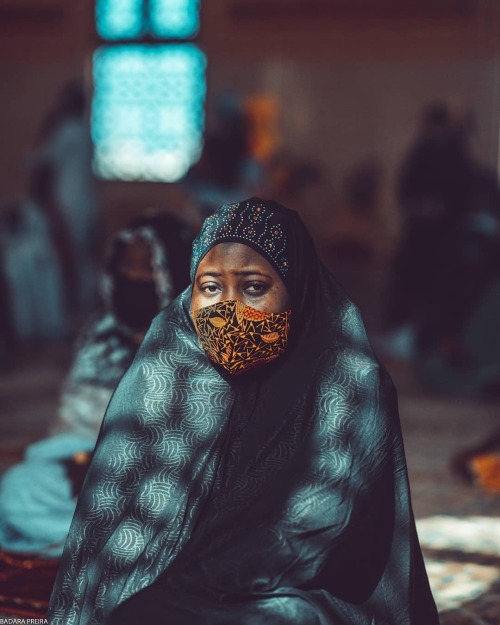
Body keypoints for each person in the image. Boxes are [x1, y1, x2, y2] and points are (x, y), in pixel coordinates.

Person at [49, 198, 439, 625]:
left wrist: (194, 580)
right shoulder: (176, 362)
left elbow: (314, 528)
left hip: (295, 588)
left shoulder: (348, 379)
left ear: (297, 288)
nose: (227, 310)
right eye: (211, 287)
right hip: (181, 584)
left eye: (254, 287)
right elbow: (123, 507)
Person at [0, 212, 192, 617]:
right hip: (81, 464)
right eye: (127, 265)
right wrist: (79, 458)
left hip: (153, 478)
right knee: (20, 488)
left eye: (146, 266)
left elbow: (189, 435)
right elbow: (72, 418)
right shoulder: (99, 334)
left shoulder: (191, 344)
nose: (135, 276)